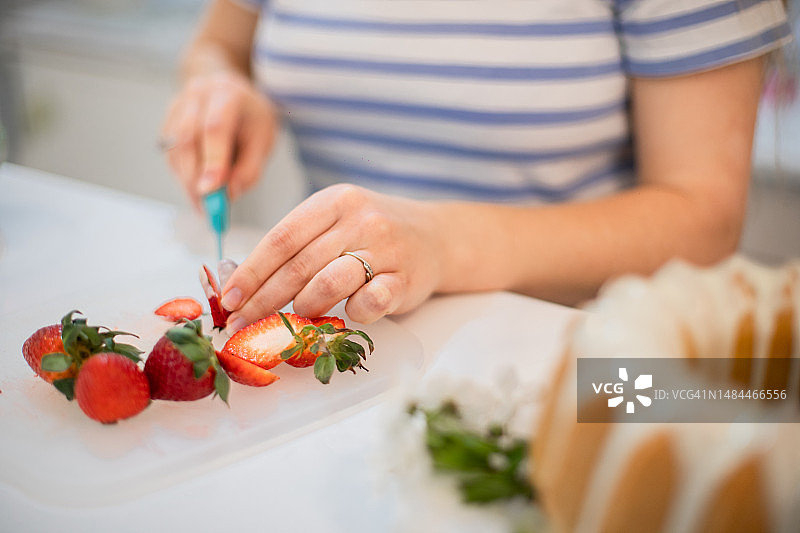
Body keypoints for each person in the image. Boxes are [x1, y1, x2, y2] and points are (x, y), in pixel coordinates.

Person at [160, 0, 792, 332]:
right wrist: (219, 84)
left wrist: (440, 243)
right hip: (334, 347)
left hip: (586, 364)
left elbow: (703, 217)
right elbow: (219, 45)